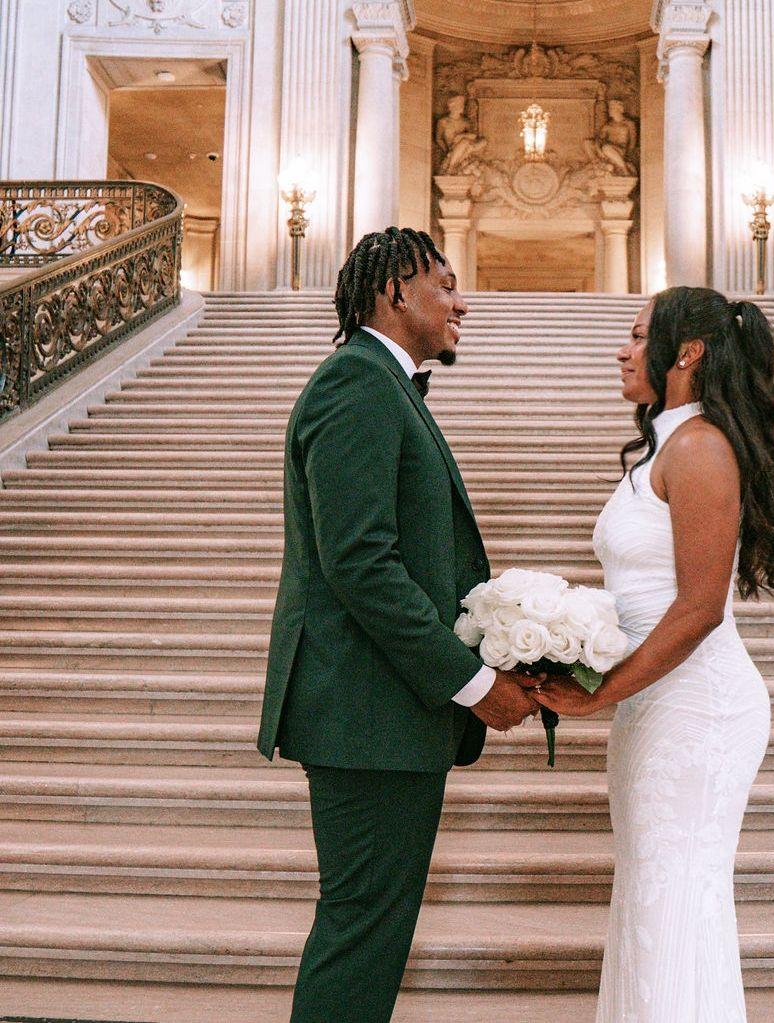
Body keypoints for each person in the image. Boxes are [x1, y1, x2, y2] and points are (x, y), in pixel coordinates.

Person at [256, 226, 538, 1023]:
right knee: (362, 932)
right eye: (445, 285)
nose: (461, 303)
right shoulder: (356, 382)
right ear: (394, 292)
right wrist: (473, 682)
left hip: (381, 714)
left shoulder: (383, 384)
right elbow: (360, 563)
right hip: (368, 713)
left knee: (369, 929)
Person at [534, 286, 774, 1022]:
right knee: (651, 898)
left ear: (687, 352)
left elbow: (701, 607)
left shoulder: (702, 446)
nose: (623, 350)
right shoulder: (668, 444)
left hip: (697, 708)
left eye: (638, 335)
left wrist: (601, 689)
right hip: (653, 701)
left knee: (674, 898)